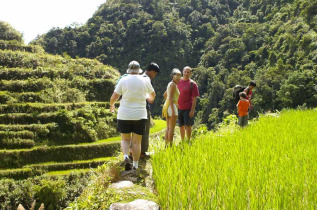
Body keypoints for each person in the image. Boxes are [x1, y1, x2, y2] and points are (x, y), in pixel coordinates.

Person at [109, 61, 156, 171]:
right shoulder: (145, 80)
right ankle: (135, 165)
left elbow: (114, 96)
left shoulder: (123, 80)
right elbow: (153, 94)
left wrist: (111, 105)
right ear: (139, 70)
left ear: (129, 70)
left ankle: (126, 157)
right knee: (136, 141)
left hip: (124, 114)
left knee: (125, 139)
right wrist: (150, 98)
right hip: (140, 115)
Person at [140, 62, 160, 158]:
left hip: (135, 107)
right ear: (152, 71)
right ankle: (142, 152)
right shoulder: (147, 79)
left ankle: (132, 151)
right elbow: (153, 95)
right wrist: (150, 99)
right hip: (143, 108)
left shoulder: (139, 77)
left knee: (135, 131)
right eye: (155, 74)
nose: (154, 76)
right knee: (144, 130)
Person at [177, 66, 200, 142]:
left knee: (188, 125)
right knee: (181, 125)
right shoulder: (178, 82)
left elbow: (194, 98)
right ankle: (182, 140)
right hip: (179, 108)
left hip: (188, 108)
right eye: (185, 72)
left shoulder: (192, 84)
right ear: (182, 72)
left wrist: (192, 110)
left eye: (188, 72)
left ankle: (188, 140)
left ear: (191, 73)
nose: (186, 73)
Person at [162, 68, 182, 146]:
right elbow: (170, 97)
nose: (179, 78)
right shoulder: (173, 85)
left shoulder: (170, 84)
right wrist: (173, 110)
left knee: (168, 127)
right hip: (172, 106)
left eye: (180, 76)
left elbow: (165, 95)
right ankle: (170, 145)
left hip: (167, 106)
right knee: (172, 128)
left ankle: (166, 144)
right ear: (173, 76)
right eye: (177, 76)